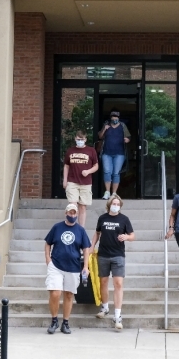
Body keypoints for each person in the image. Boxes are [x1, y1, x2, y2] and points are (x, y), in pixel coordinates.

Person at [44, 203, 91, 335]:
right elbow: (47, 243)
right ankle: (54, 321)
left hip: (73, 267)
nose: (72, 215)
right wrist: (48, 259)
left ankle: (65, 323)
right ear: (66, 213)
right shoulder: (57, 227)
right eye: (70, 213)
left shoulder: (80, 230)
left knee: (69, 295)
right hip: (56, 265)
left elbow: (86, 249)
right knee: (55, 293)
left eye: (74, 213)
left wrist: (86, 267)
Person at [91, 194, 135, 330]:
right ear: (109, 205)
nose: (116, 206)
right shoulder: (102, 218)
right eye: (114, 204)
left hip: (118, 255)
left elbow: (133, 235)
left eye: (118, 204)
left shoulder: (124, 219)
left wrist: (127, 237)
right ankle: (104, 307)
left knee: (118, 283)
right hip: (103, 254)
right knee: (103, 282)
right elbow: (97, 233)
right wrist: (92, 246)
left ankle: (118, 315)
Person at [63, 129, 99, 227]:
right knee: (72, 206)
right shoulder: (70, 151)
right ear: (75, 139)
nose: (80, 141)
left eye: (82, 139)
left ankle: (81, 229)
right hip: (72, 181)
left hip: (86, 183)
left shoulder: (91, 151)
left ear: (85, 139)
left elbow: (96, 166)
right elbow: (66, 166)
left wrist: (88, 171)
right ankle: (72, 226)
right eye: (78, 139)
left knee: (82, 207)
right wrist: (65, 180)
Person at [98, 109, 131, 199]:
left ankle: (114, 193)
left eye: (116, 117)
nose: (115, 118)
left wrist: (127, 140)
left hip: (119, 154)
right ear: (111, 118)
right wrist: (104, 129)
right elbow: (100, 137)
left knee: (116, 173)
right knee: (107, 172)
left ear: (118, 118)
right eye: (113, 117)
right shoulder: (106, 125)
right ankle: (107, 192)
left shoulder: (123, 126)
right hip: (107, 153)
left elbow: (128, 137)